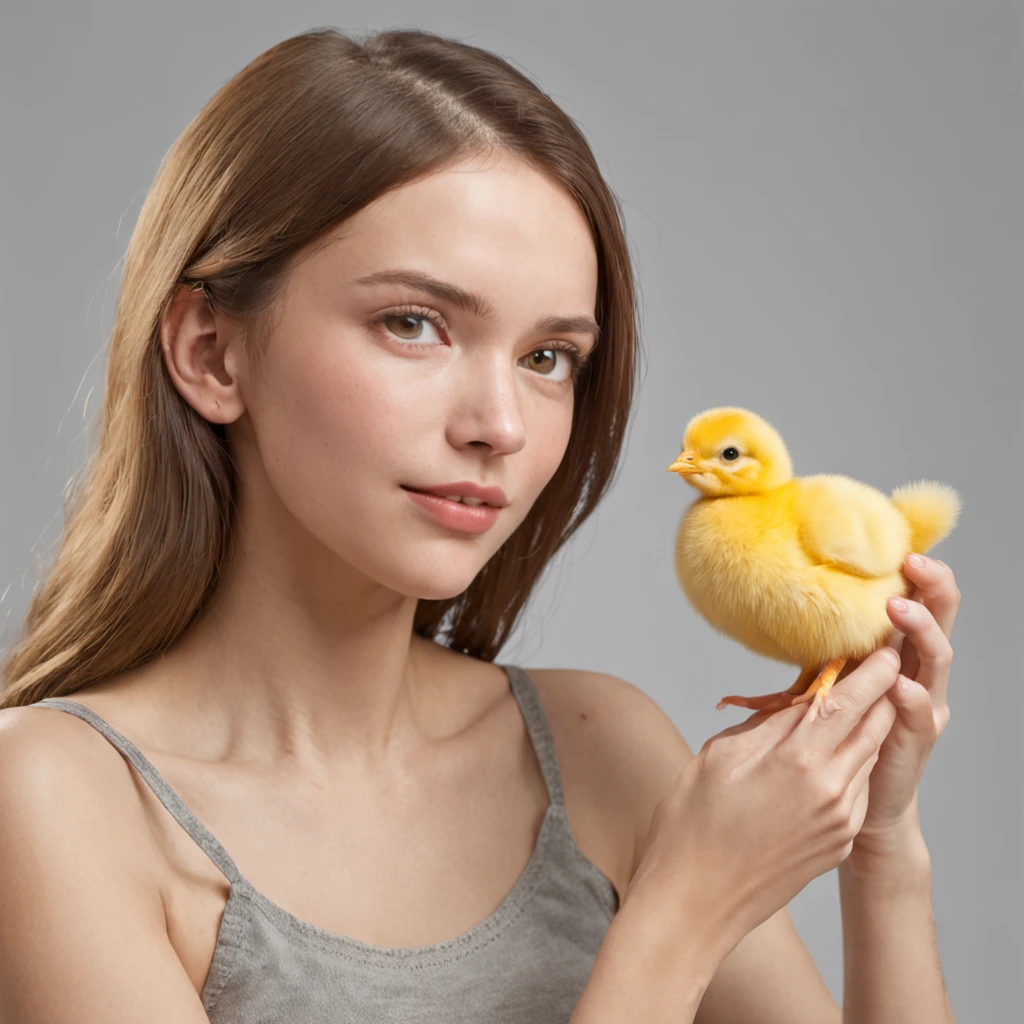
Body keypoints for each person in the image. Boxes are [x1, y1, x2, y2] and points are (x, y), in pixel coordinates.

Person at [0, 26, 959, 1024]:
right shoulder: (53, 800)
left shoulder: (602, 752)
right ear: (211, 351)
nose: (500, 425)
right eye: (413, 323)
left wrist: (881, 846)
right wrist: (679, 920)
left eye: (548, 357)